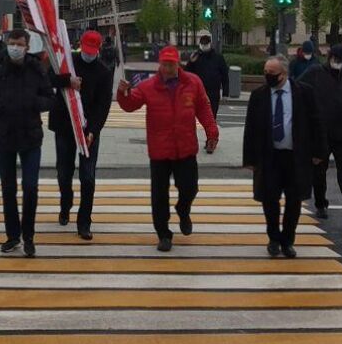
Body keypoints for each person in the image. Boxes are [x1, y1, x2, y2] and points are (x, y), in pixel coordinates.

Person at [117, 45, 219, 252]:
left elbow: (203, 108)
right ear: (160, 64)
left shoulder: (193, 82)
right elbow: (130, 105)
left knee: (190, 188)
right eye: (164, 64)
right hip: (160, 151)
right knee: (159, 196)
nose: (168, 68)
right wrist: (123, 92)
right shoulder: (148, 86)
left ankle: (183, 209)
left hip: (186, 148)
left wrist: (212, 131)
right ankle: (163, 234)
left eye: (171, 64)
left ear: (178, 64)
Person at [0, 29, 53, 257]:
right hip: (5, 137)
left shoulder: (37, 69)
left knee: (30, 187)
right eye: (12, 43)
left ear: (27, 47)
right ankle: (13, 236)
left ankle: (28, 236)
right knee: (8, 189)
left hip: (31, 137)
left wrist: (32, 102)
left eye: (19, 44)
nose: (15, 47)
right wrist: (1, 104)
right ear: (7, 45)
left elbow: (50, 98)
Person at [243, 56, 325, 257]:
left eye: (272, 74)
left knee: (294, 200)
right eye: (265, 73)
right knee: (269, 200)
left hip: (296, 157)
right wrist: (250, 159)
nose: (268, 77)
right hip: (269, 157)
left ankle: (288, 240)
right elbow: (250, 128)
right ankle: (273, 238)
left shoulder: (304, 93)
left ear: (284, 74)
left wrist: (318, 152)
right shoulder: (259, 95)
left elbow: (317, 123)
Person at [49, 30, 114, 240]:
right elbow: (49, 79)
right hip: (65, 126)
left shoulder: (104, 72)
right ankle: (65, 203)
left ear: (99, 49)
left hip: (88, 131)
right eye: (86, 49)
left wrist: (93, 130)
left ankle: (84, 221)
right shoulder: (68, 62)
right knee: (63, 172)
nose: (89, 54)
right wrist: (68, 80)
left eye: (93, 51)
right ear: (80, 45)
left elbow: (103, 105)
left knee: (88, 177)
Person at [301, 44, 342, 227]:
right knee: (319, 171)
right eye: (338, 61)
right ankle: (321, 203)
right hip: (321, 134)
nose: (341, 65)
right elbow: (298, 90)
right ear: (330, 58)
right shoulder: (316, 73)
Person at [185, 34, 231, 116]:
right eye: (202, 44)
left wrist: (225, 93)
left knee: (211, 116)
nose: (204, 46)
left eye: (205, 44)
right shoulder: (196, 56)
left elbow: (224, 75)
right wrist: (191, 62)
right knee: (198, 117)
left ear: (210, 44)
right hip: (198, 92)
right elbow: (187, 73)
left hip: (213, 93)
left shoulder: (218, 57)